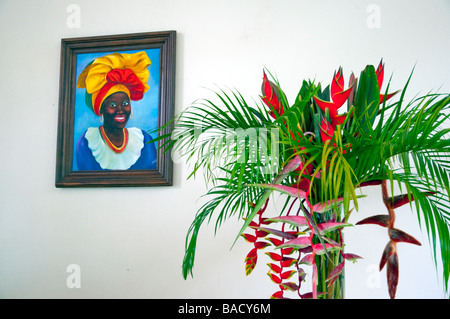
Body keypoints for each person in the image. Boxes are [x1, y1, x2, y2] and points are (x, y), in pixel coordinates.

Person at [75, 51, 157, 170]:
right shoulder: (87, 142)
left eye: (125, 103)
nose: (121, 109)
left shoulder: (144, 140)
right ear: (101, 109)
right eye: (113, 104)